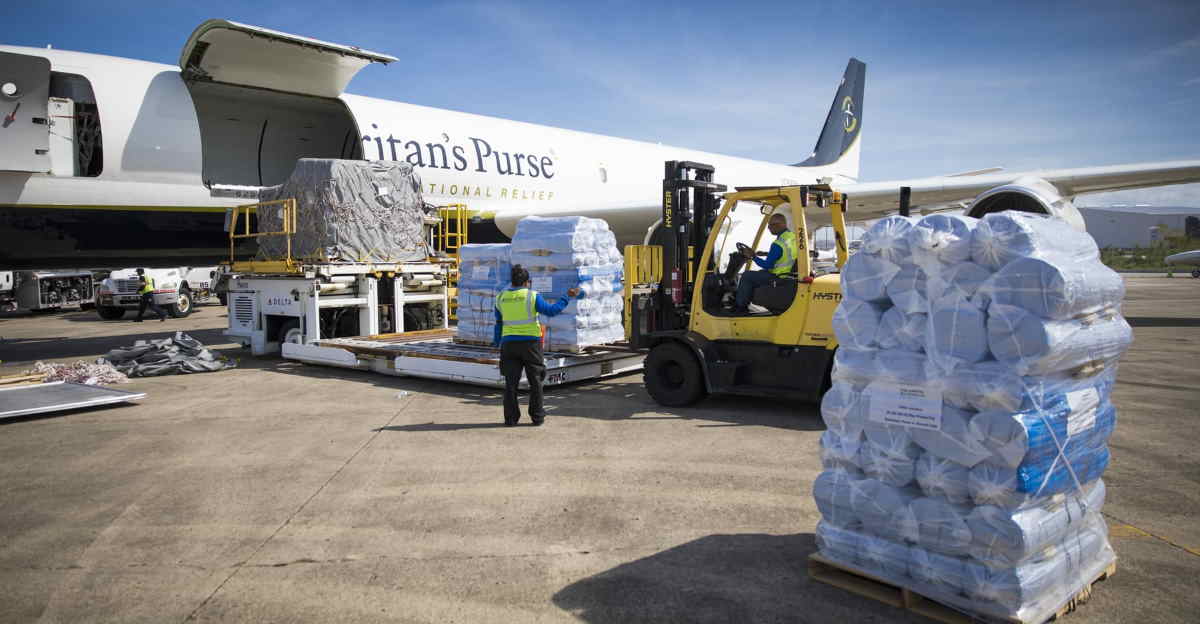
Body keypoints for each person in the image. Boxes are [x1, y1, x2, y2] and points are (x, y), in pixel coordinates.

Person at [492, 265, 581, 426]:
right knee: (535, 381)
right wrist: (567, 297)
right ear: (528, 282)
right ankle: (537, 417)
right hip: (530, 344)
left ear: (512, 281)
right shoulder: (532, 296)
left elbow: (498, 323)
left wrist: (496, 343)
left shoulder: (500, 297)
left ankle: (511, 419)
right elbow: (551, 311)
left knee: (511, 384)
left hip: (509, 345)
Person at [733, 213, 798, 314]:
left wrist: (753, 257)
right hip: (788, 274)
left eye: (770, 225)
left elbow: (768, 265)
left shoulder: (777, 244)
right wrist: (766, 253)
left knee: (747, 276)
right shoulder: (792, 237)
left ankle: (740, 307)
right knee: (758, 273)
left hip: (777, 276)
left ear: (779, 225)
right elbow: (787, 253)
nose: (768, 228)